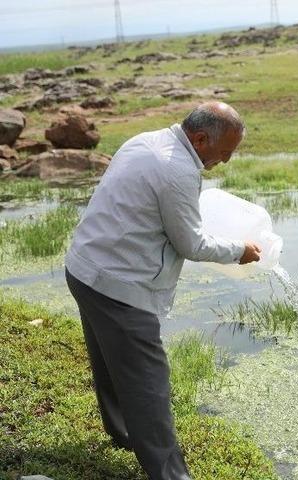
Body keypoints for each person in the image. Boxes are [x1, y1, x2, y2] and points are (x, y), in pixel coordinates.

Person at [64, 102, 261, 480]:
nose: (226, 161)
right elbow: (191, 243)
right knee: (148, 384)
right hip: (118, 285)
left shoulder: (147, 141)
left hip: (84, 267)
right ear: (200, 139)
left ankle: (122, 432)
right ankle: (171, 474)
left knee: (109, 361)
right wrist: (241, 250)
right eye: (225, 152)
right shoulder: (178, 170)